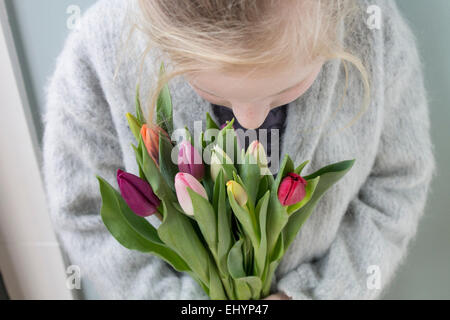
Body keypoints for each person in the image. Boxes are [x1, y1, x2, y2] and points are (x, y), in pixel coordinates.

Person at [42, 0, 437, 300]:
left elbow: (397, 183)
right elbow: (85, 211)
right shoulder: (99, 56)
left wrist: (320, 292)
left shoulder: (372, 30)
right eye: (214, 92)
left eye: (284, 89)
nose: (248, 119)